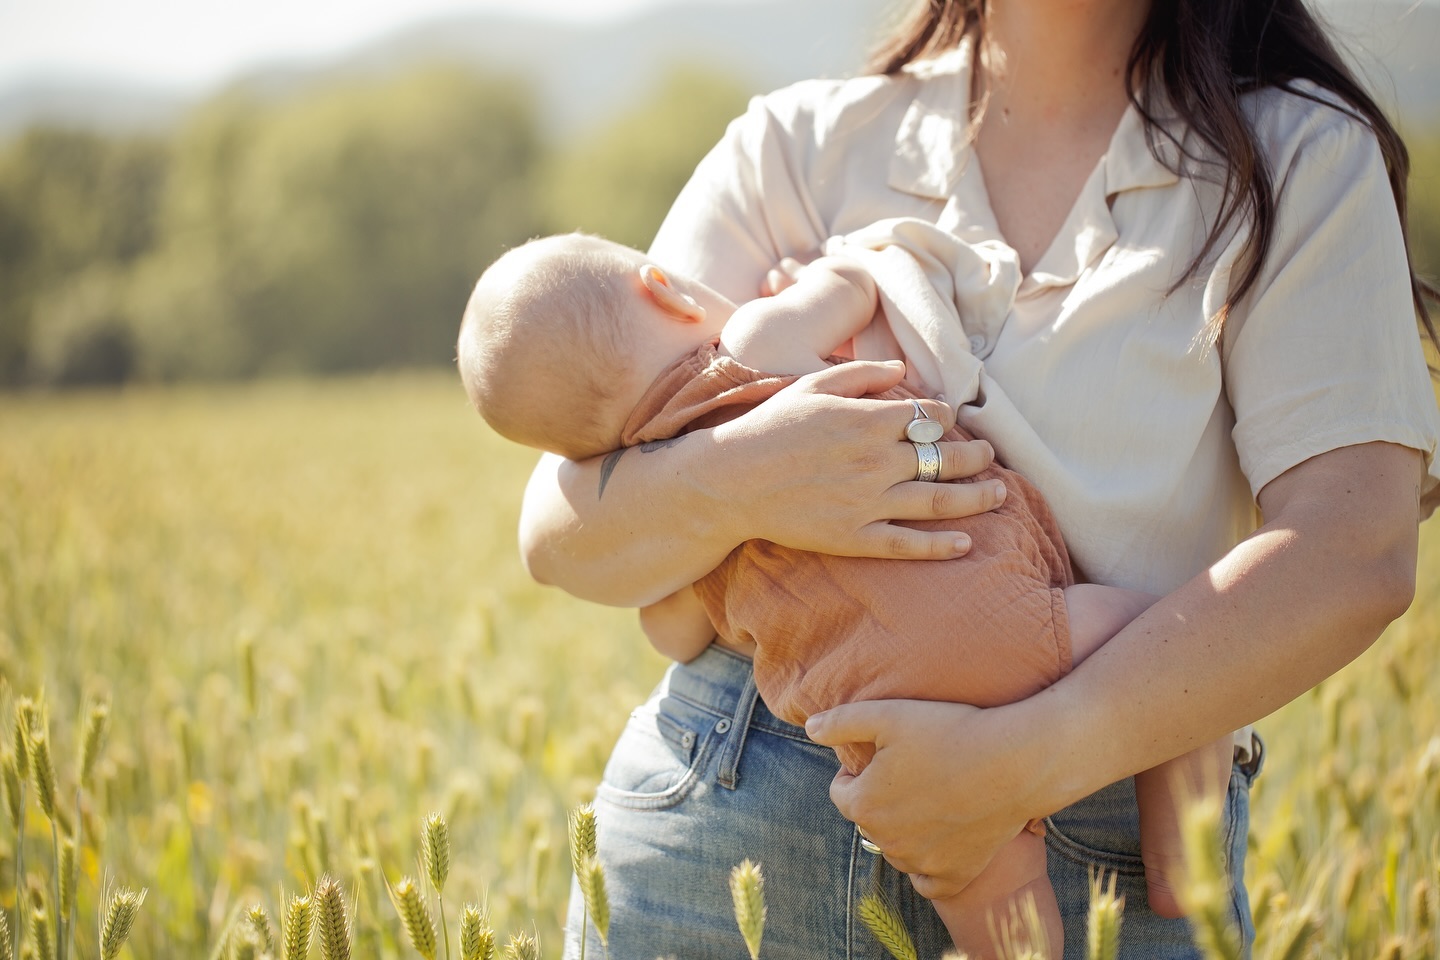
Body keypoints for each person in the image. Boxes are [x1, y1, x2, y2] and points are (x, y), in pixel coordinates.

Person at [517, 1, 1440, 957]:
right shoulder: (798, 143)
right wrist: (755, 472)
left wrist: (1031, 756)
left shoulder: (1293, 157)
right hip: (728, 812)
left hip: (1102, 819)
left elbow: (1353, 553)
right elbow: (556, 528)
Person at [458, 229, 1232, 956]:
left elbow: (675, 635)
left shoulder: (679, 519)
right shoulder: (755, 344)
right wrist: (822, 278)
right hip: (1021, 622)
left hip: (878, 722)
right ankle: (1179, 852)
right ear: (667, 289)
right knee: (1161, 632)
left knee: (987, 885)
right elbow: (859, 284)